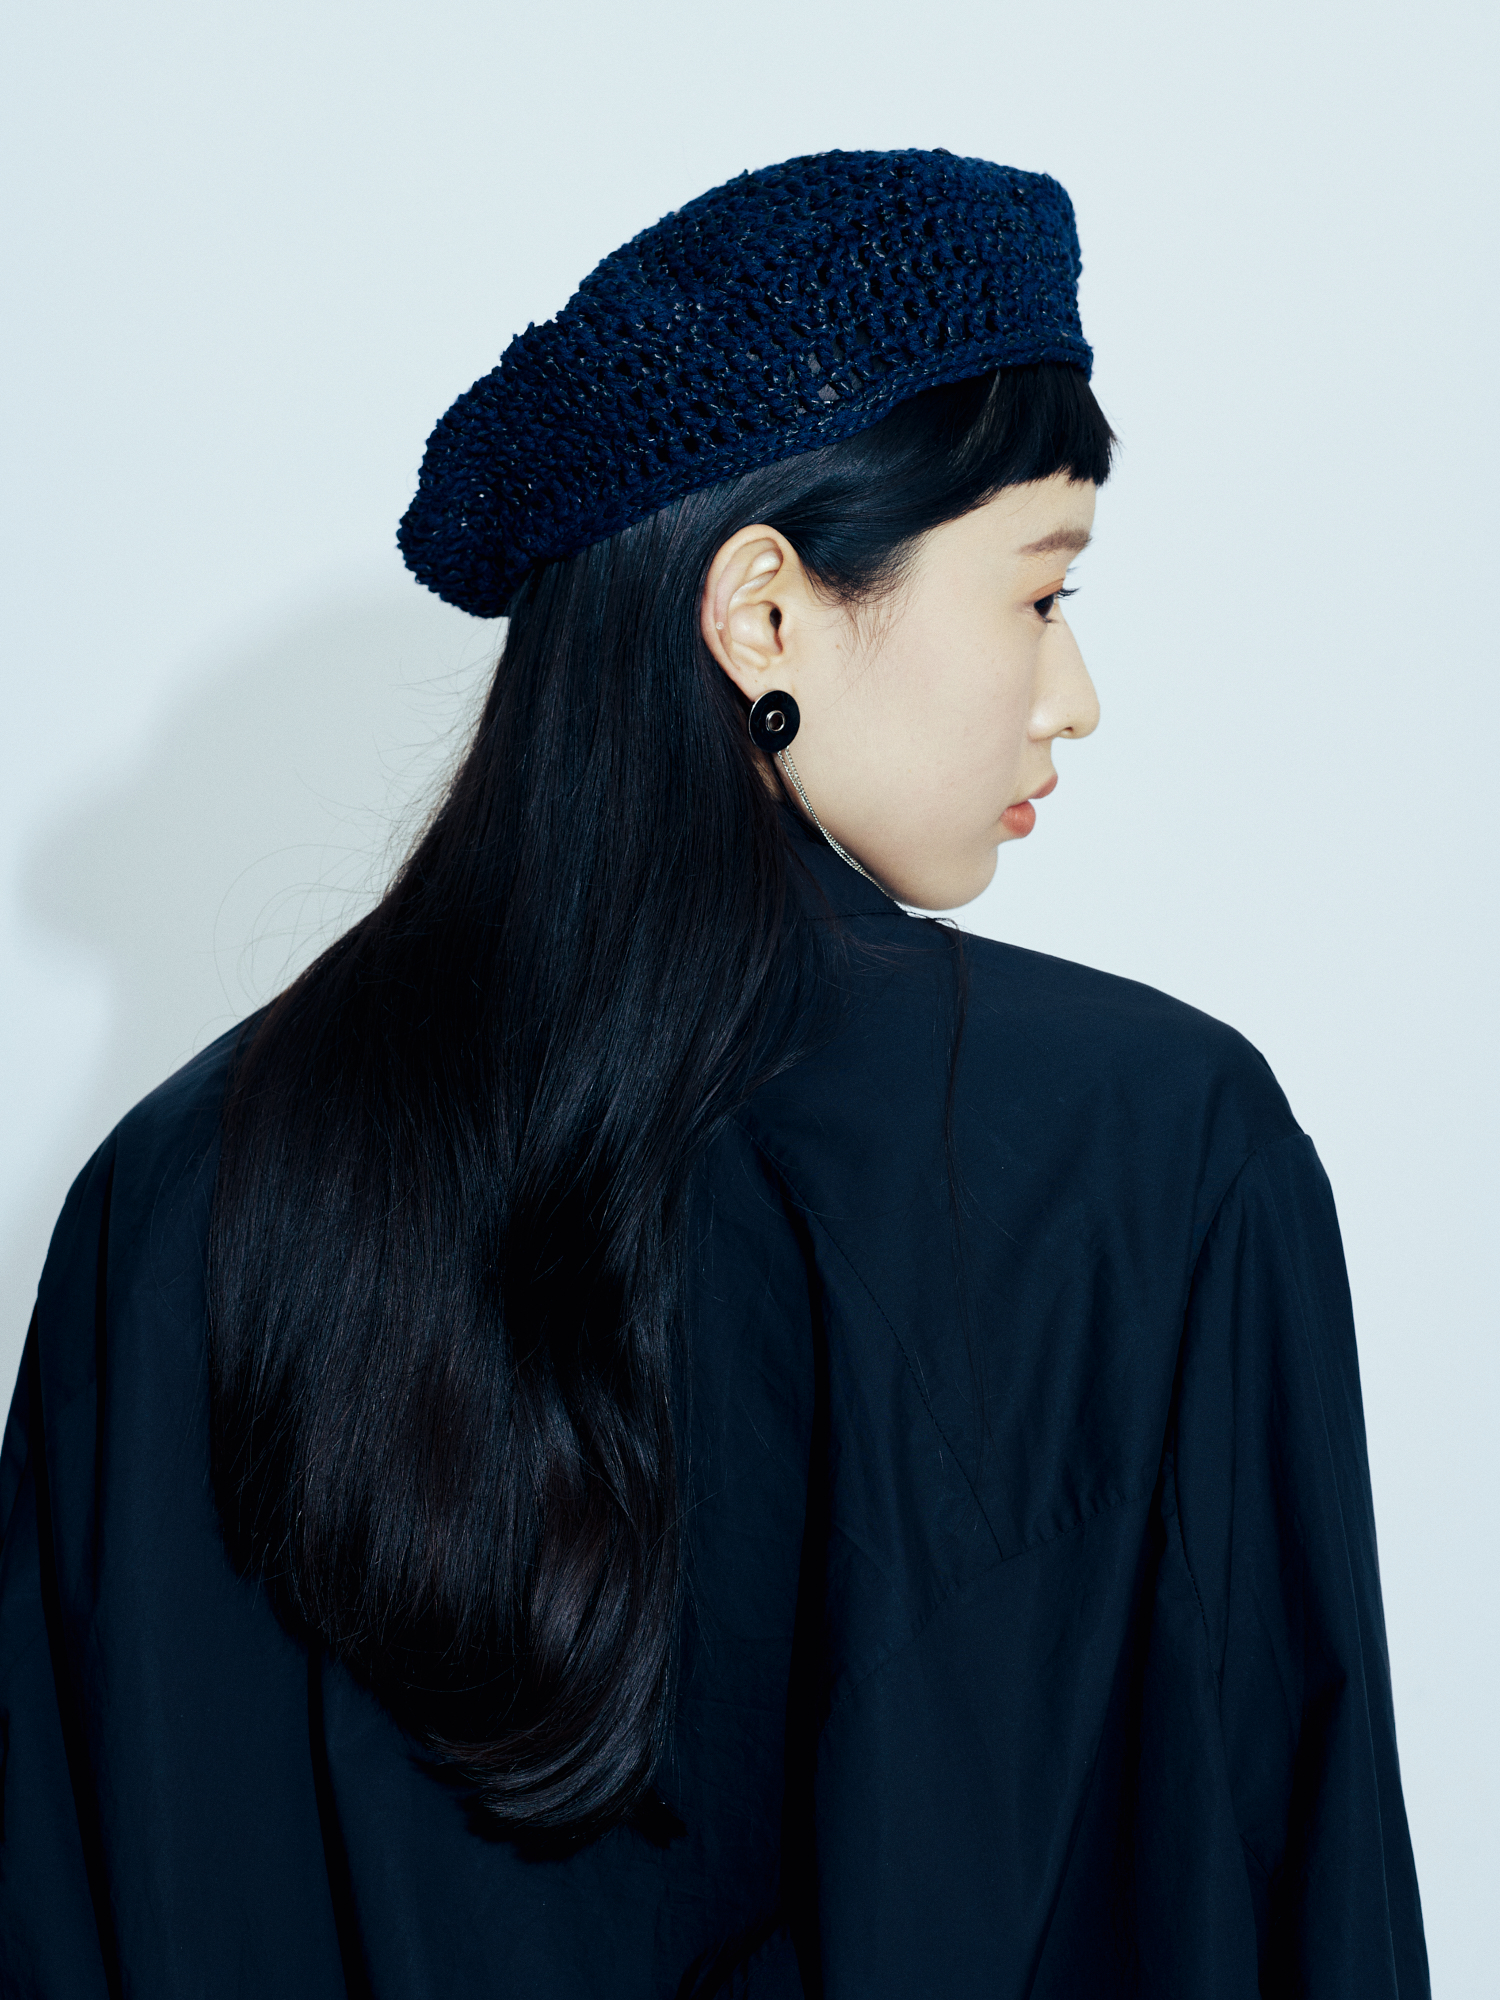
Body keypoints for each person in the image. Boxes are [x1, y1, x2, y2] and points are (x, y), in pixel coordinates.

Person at [0, 149, 1427, 1998]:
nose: (1073, 695)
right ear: (763, 612)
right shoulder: (1157, 1158)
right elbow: (1296, 1890)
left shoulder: (169, 1196)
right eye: (1041, 590)